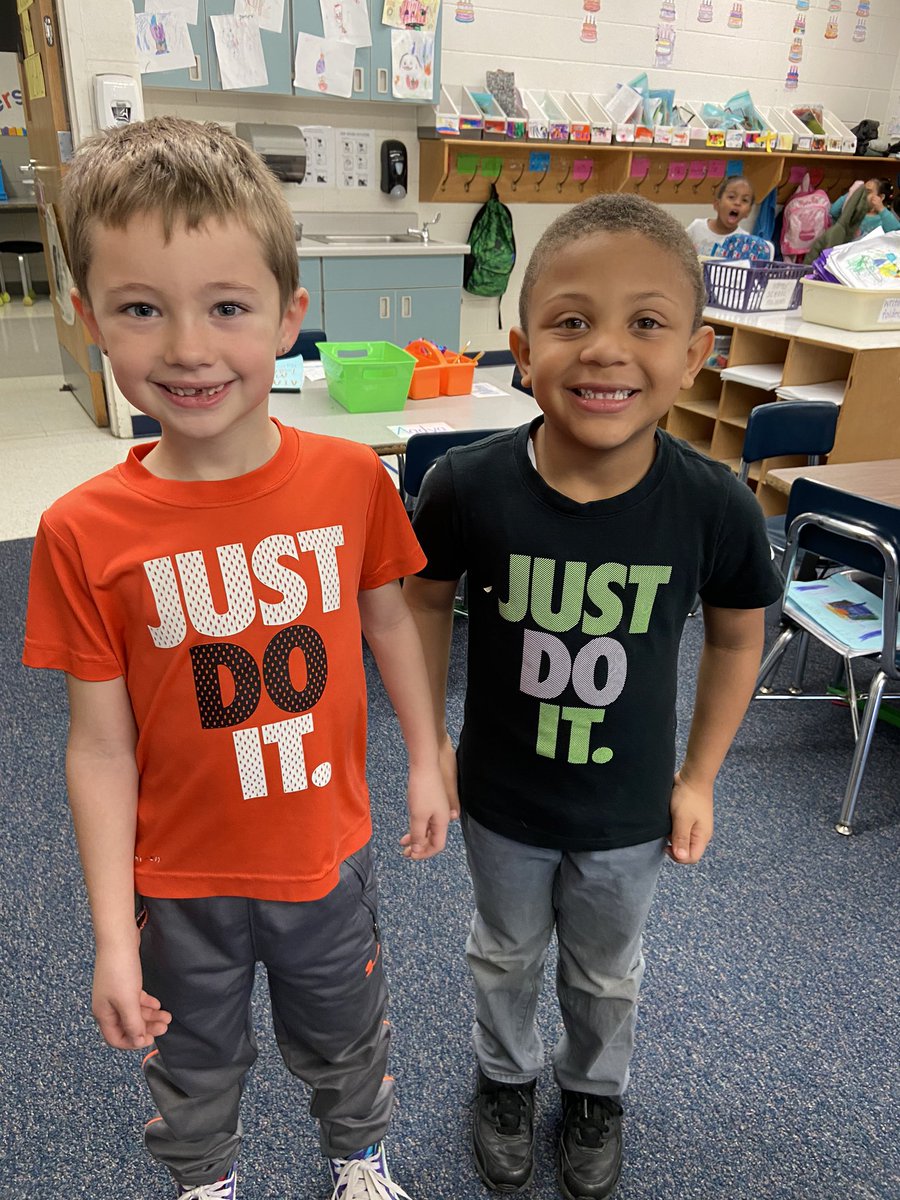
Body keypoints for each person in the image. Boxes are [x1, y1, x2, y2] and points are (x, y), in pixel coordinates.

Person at [22, 116, 450, 1200]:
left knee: (347, 1036)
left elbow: (391, 618)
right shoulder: (82, 530)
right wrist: (110, 936)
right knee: (193, 1062)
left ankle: (360, 1156)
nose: (188, 349)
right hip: (179, 883)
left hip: (324, 855)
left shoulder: (350, 481)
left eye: (226, 307)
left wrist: (431, 759)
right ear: (90, 323)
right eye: (139, 309)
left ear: (289, 315)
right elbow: (100, 748)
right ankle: (205, 1178)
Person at [403, 193, 783, 1200]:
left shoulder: (714, 504)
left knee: (607, 971)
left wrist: (700, 777)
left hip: (627, 814)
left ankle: (593, 1090)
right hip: (500, 801)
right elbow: (421, 602)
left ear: (696, 352)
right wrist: (428, 741)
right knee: (504, 955)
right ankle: (502, 1078)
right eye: (572, 321)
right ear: (523, 348)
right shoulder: (467, 486)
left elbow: (742, 634)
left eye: (645, 323)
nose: (606, 349)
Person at [685, 175, 757, 255]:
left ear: (748, 212)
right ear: (717, 204)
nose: (737, 203)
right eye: (731, 197)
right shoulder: (697, 227)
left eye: (744, 200)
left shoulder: (745, 240)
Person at [829, 177, 900, 237]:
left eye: (868, 192)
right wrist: (851, 193)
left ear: (880, 197)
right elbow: (833, 212)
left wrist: (881, 209)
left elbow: (896, 231)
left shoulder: (884, 217)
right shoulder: (855, 212)